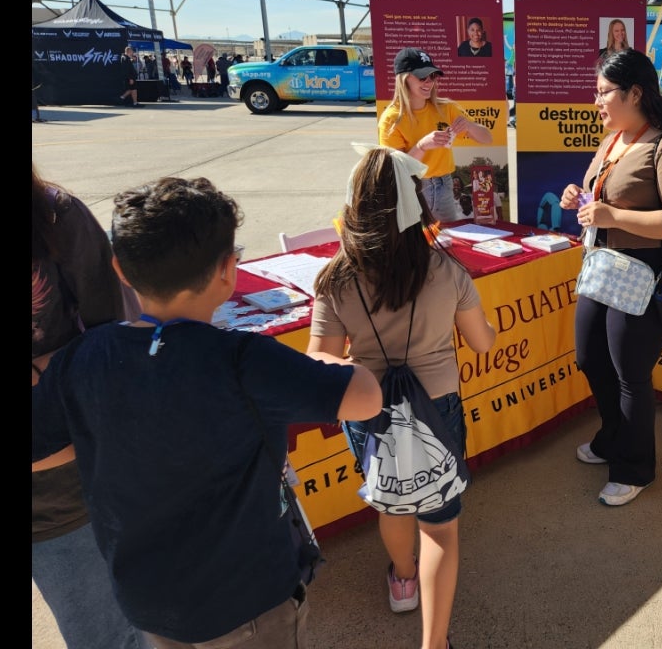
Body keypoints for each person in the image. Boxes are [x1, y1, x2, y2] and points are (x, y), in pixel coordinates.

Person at [31, 176, 383, 648]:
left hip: (150, 602)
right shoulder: (244, 361)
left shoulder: (80, 358)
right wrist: (320, 359)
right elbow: (367, 396)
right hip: (249, 604)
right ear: (228, 271)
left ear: (118, 268)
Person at [308, 146, 496, 649]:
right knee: (441, 525)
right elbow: (482, 341)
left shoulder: (335, 278)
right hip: (439, 406)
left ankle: (403, 579)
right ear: (417, 203)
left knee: (392, 504)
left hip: (369, 409)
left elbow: (320, 363)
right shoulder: (448, 271)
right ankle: (434, 643)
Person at [559, 48, 662, 507]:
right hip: (602, 267)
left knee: (630, 376)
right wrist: (579, 198)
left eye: (604, 92)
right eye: (597, 91)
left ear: (635, 92)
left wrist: (612, 215)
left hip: (643, 278)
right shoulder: (614, 138)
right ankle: (612, 436)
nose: (596, 101)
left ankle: (635, 465)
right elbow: (602, 199)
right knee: (589, 358)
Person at [32, 164, 149, 649]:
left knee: (111, 636)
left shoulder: (55, 216)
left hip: (61, 494)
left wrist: (42, 370)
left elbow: (115, 343)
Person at [378, 48, 493, 223]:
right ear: (403, 79)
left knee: (446, 244)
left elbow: (487, 138)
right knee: (415, 246)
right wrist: (422, 145)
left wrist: (469, 126)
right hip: (411, 188)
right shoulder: (391, 119)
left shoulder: (446, 108)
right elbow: (397, 170)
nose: (429, 82)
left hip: (444, 186)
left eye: (432, 76)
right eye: (422, 77)